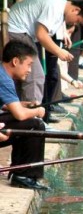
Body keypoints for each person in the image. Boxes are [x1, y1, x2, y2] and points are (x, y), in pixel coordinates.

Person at [8, 0, 83, 112]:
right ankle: (33, 116)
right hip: (16, 31)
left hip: (20, 32)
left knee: (28, 75)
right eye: (78, 20)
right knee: (35, 76)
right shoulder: (55, 7)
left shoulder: (59, 9)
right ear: (75, 10)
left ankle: (25, 114)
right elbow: (41, 34)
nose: (75, 24)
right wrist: (59, 52)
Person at [0, 40, 48, 190]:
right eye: (28, 64)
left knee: (29, 121)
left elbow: (7, 106)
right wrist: (38, 111)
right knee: (35, 124)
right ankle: (24, 175)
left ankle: (19, 172)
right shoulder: (4, 80)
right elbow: (20, 116)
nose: (29, 70)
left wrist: (22, 105)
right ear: (15, 61)